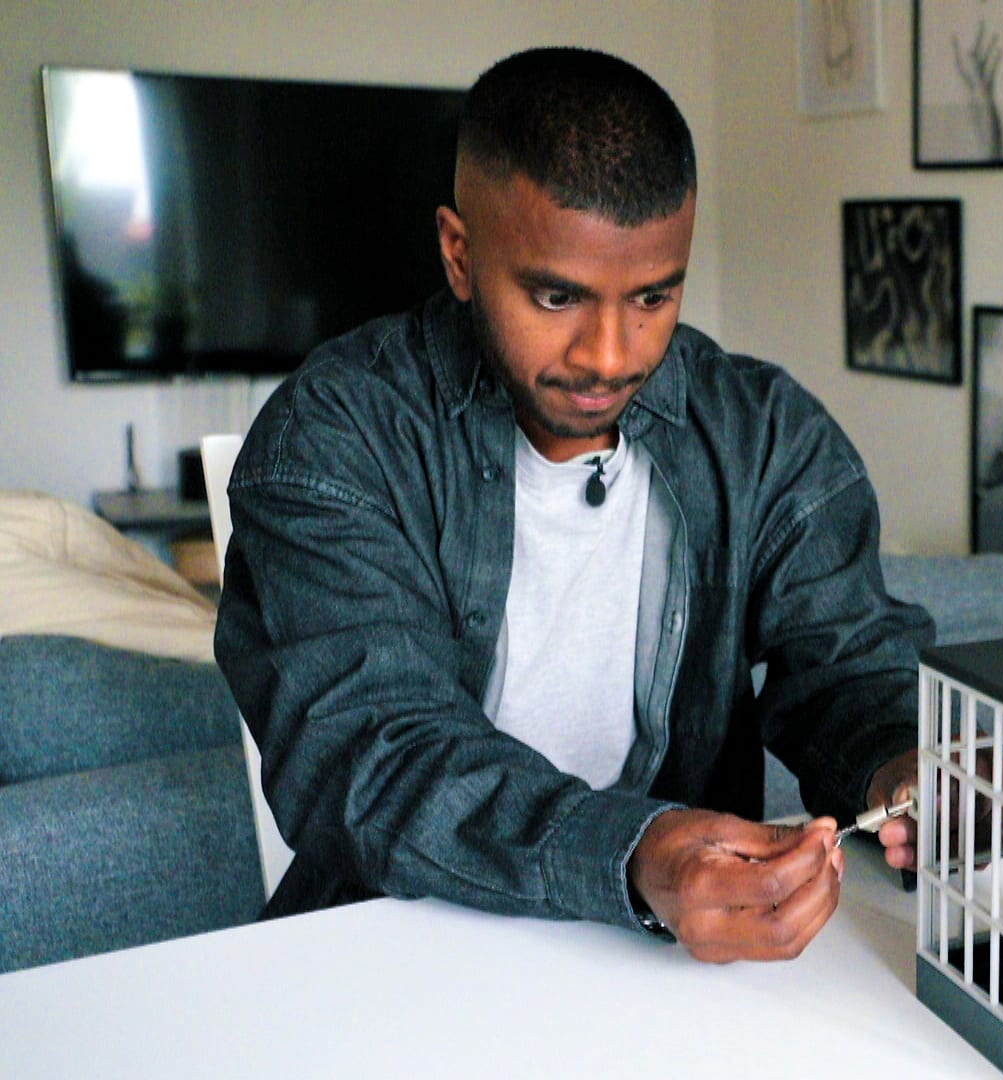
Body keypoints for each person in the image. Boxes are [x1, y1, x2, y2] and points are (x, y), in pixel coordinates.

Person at [214, 47, 930, 964]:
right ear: (460, 254)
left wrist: (902, 761)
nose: (609, 355)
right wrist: (634, 851)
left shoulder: (764, 433)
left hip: (666, 963)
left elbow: (848, 663)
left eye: (653, 296)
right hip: (396, 949)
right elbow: (374, 752)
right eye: (557, 297)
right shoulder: (333, 437)